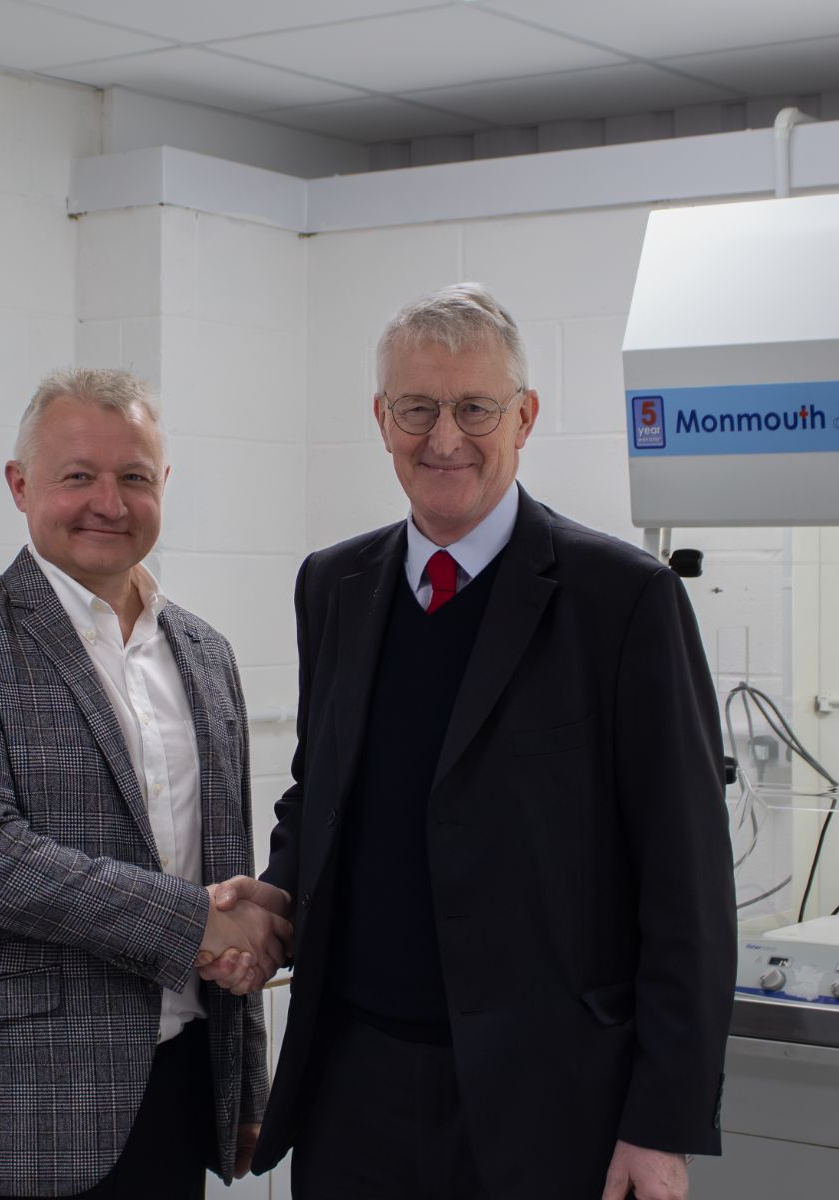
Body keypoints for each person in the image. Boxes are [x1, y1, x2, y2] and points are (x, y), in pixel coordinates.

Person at [205, 284, 736, 1199]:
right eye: (417, 408)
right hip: (352, 1087)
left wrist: (662, 1122)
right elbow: (321, 792)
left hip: (547, 1102)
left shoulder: (622, 600)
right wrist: (277, 903)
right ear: (381, 419)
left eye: (474, 408)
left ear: (523, 416)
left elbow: (686, 880)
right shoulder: (334, 585)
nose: (443, 438)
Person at [0, 367, 285, 1199]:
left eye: (133, 476)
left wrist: (244, 1086)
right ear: (20, 486)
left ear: (162, 486)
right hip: (5, 1114)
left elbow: (223, 860)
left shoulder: (205, 654)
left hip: (171, 1099)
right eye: (78, 476)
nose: (109, 501)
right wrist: (197, 927)